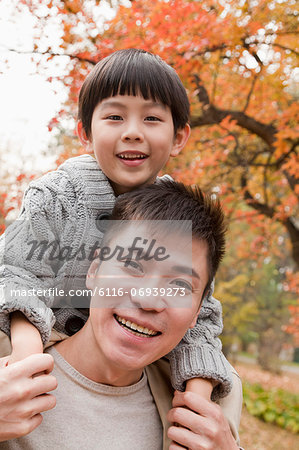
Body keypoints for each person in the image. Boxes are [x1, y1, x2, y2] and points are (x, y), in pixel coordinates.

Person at [0, 49, 231, 415]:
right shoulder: (58, 195)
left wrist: (196, 402)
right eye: (114, 116)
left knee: (224, 389)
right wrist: (27, 352)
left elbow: (200, 318)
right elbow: (15, 273)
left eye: (152, 118)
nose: (133, 133)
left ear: (178, 138)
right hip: (36, 325)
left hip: (135, 341)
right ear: (85, 134)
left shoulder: (181, 223)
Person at [0, 181, 243, 449]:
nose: (148, 300)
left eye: (180, 285)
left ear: (197, 311)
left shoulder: (209, 410)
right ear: (93, 271)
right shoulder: (7, 368)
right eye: (132, 265)